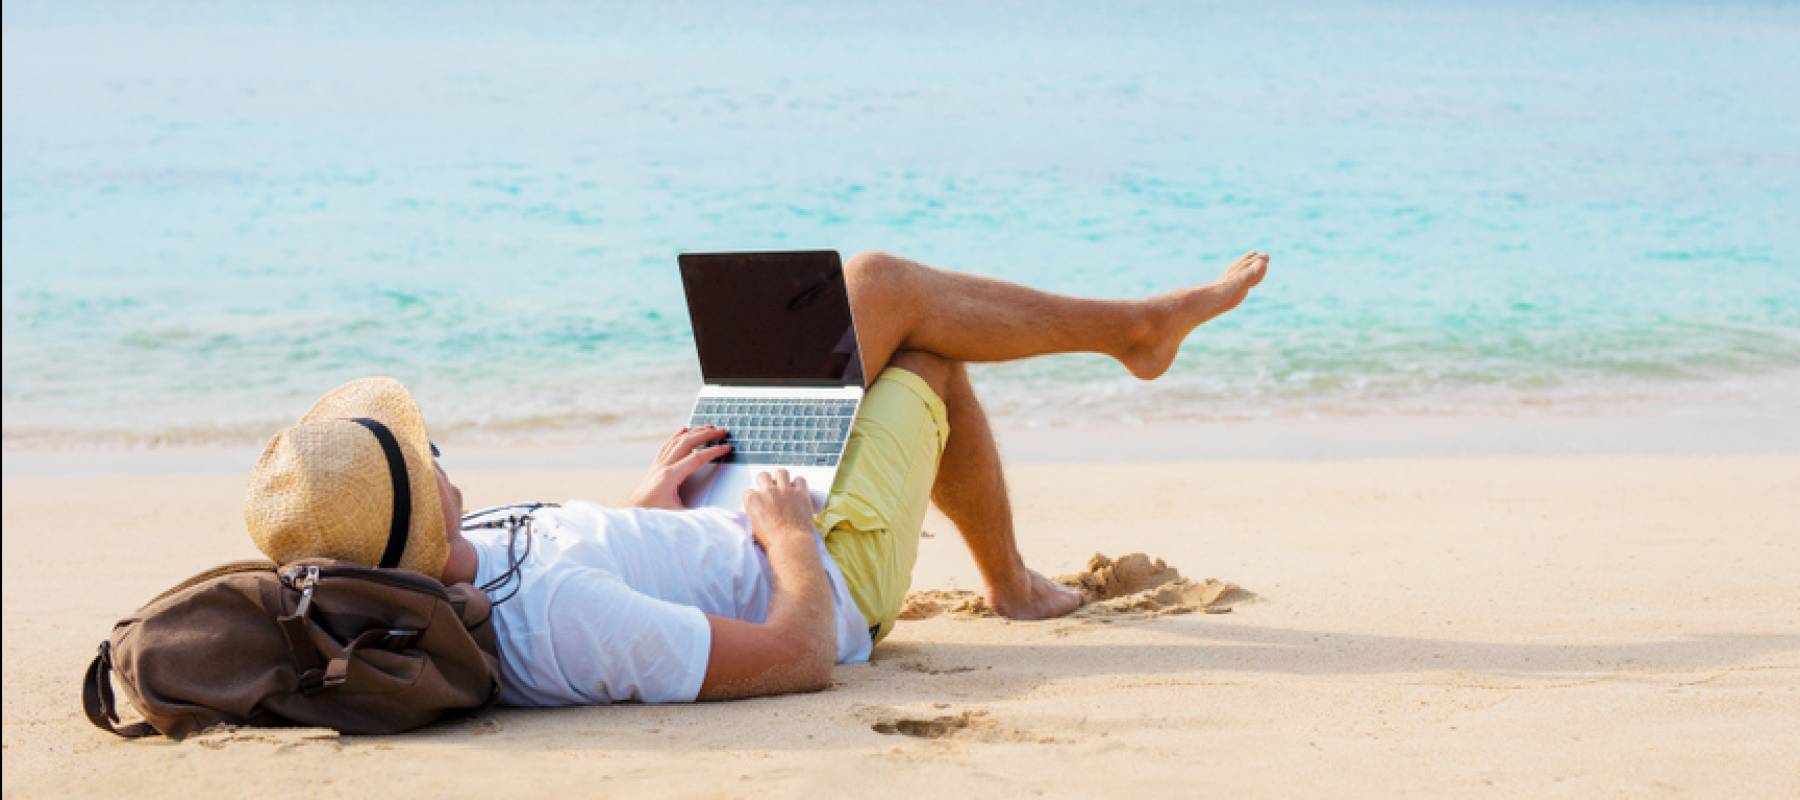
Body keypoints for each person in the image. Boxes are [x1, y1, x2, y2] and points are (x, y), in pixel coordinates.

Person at [243, 250, 1270, 705]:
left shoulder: (469, 559)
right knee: (914, 340)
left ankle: (1120, 360)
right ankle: (1133, 338)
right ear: (419, 509)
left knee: (874, 299)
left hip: (727, 516)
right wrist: (786, 540)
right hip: (828, 571)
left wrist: (644, 505)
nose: (439, 453)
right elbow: (799, 657)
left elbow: (580, 558)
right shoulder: (563, 619)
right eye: (425, 457)